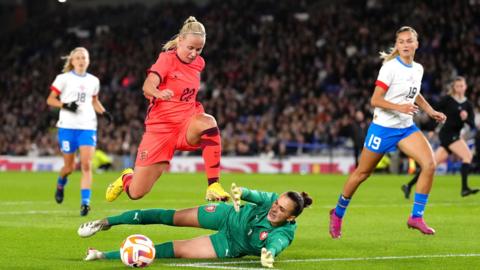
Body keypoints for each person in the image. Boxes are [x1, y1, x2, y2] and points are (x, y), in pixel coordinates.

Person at [328, 26, 447, 238]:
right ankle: (337, 213)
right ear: (397, 45)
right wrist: (400, 107)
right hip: (383, 128)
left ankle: (416, 217)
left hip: (405, 128)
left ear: (416, 44)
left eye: (409, 41)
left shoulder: (418, 69)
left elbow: (415, 93)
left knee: (429, 164)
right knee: (362, 174)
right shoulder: (390, 68)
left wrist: (431, 111)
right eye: (401, 41)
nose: (405, 45)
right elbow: (375, 100)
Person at [105, 16, 230, 203]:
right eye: (191, 48)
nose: (194, 53)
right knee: (136, 193)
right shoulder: (166, 59)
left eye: (199, 49)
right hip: (160, 131)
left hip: (186, 123)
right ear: (180, 41)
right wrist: (157, 93)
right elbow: (147, 86)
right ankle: (125, 178)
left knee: (208, 122)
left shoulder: (199, 63)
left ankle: (213, 185)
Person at [79, 183, 312, 268]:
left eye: (281, 209)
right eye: (276, 204)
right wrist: (241, 192)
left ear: (291, 218)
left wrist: (269, 254)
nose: (274, 208)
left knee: (178, 250)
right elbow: (253, 193)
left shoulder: (285, 232)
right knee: (170, 217)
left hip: (230, 244)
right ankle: (105, 222)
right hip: (226, 215)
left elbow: (275, 244)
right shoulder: (269, 200)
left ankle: (101, 255)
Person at [46, 47, 112, 216]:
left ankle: (85, 203)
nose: (81, 60)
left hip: (87, 127)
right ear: (72, 61)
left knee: (86, 165)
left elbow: (95, 101)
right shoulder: (63, 79)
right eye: (78, 57)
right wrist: (66, 105)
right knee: (69, 167)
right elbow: (50, 100)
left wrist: (104, 112)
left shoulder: (93, 81)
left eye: (84, 57)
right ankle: (61, 183)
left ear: (88, 61)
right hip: (67, 127)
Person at [402, 76, 479, 198]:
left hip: (454, 135)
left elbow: (472, 124)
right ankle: (464, 188)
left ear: (465, 87)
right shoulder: (448, 100)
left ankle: (408, 185)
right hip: (447, 134)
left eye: (462, 86)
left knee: (431, 165)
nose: (460, 88)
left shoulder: (467, 104)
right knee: (467, 156)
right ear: (454, 87)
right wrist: (432, 128)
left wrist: (466, 118)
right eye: (457, 86)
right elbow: (433, 110)